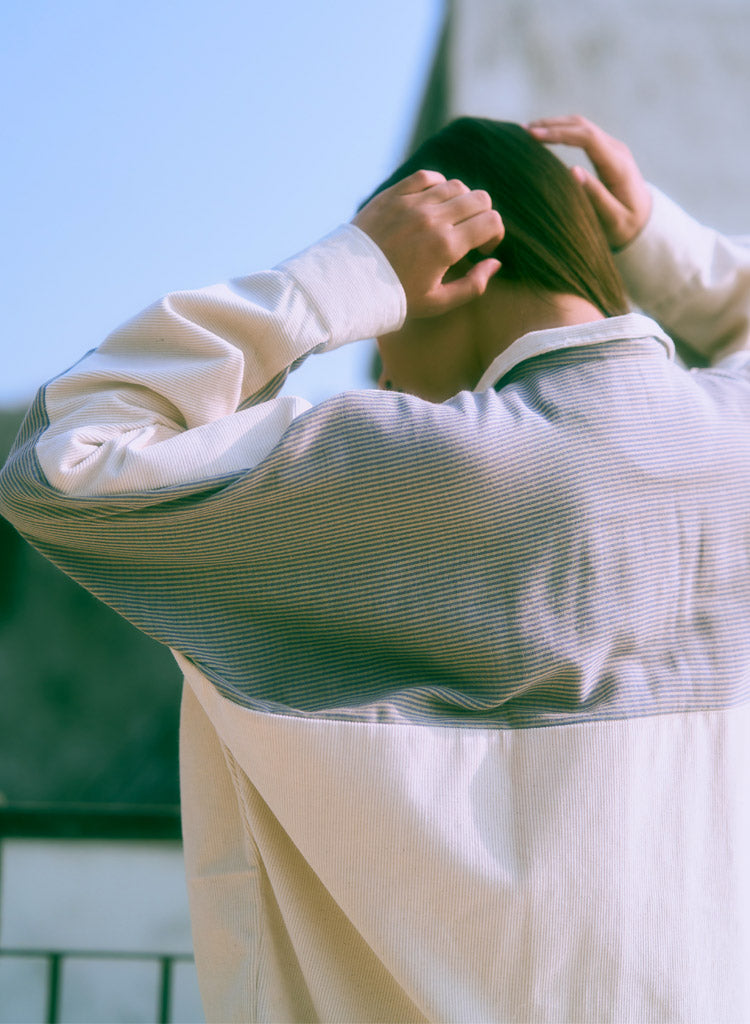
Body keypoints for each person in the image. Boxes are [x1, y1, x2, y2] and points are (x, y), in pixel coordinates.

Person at [2, 114, 750, 1023]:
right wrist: (663, 249)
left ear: (452, 273)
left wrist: (341, 278)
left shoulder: (409, 470)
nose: (384, 374)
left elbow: (58, 463)